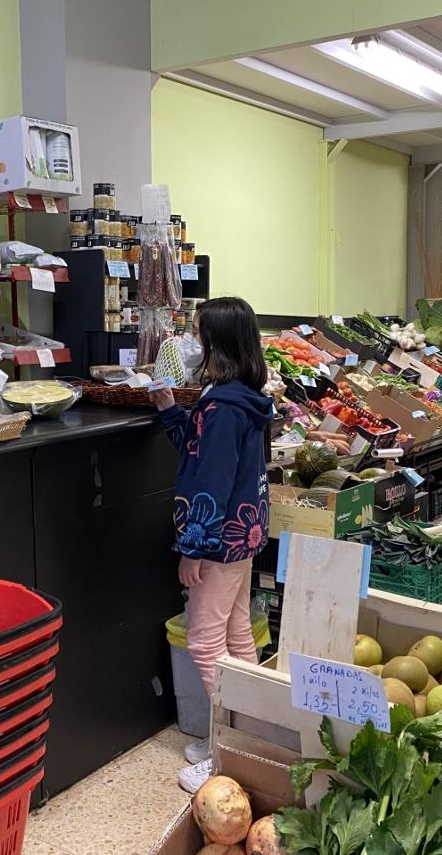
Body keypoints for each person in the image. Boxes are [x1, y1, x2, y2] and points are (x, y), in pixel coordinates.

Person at [150, 296, 273, 793]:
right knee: (238, 632)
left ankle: (231, 751)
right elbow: (203, 456)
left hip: (218, 540)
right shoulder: (239, 398)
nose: (192, 342)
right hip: (244, 534)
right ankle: (256, 735)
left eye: (199, 335)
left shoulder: (222, 407)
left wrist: (193, 547)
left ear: (217, 343)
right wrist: (171, 414)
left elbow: (210, 483)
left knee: (203, 640)